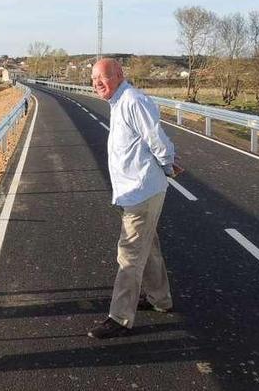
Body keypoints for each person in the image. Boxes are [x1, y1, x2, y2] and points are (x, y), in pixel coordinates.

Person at [87, 58, 180, 339]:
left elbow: (157, 140)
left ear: (119, 74)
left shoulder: (132, 101)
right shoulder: (119, 102)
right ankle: (160, 299)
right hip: (135, 191)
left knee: (129, 254)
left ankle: (120, 317)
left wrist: (168, 165)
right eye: (93, 80)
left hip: (142, 190)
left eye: (102, 77)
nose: (96, 84)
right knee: (147, 248)